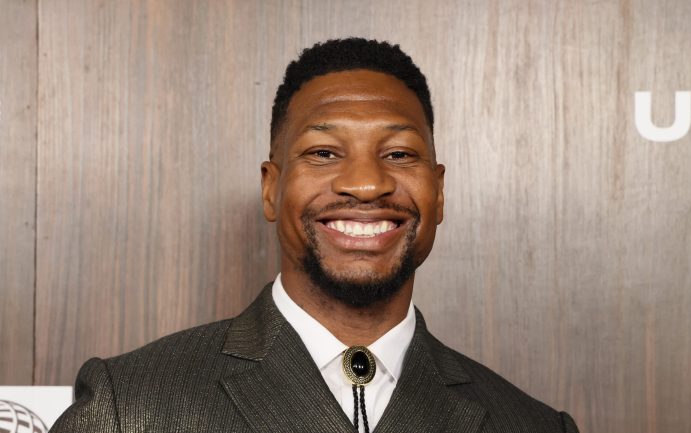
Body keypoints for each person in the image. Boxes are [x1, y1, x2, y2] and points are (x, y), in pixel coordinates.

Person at [51, 38, 580, 433]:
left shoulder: (534, 425)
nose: (366, 184)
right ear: (271, 188)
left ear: (438, 193)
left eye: (399, 153)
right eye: (324, 153)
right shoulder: (130, 406)